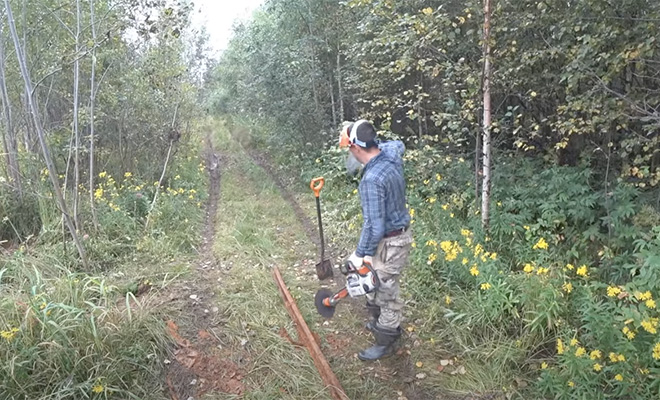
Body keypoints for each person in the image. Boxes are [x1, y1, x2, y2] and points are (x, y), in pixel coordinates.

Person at [339, 119, 413, 361]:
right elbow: (398, 143)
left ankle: (387, 339)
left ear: (357, 148)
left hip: (392, 242)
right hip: (392, 235)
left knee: (384, 290)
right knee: (372, 279)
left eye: (350, 149)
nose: (350, 155)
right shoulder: (390, 153)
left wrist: (360, 253)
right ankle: (380, 322)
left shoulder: (371, 180)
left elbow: (374, 225)